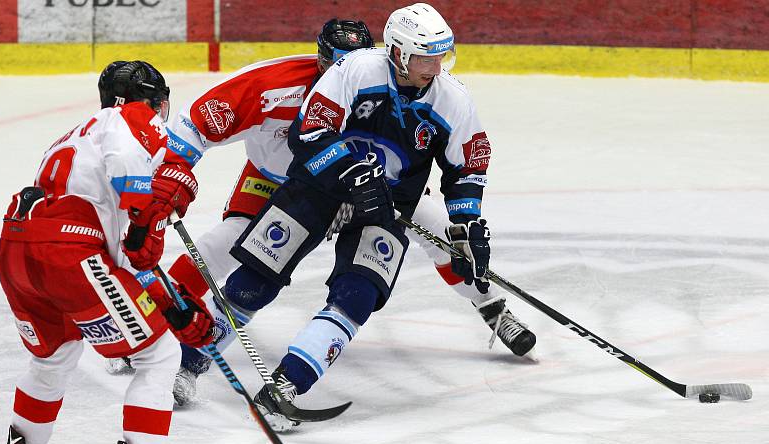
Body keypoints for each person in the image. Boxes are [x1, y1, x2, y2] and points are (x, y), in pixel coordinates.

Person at [157, 17, 535, 407]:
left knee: (373, 285)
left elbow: (467, 165)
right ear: (397, 52)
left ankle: (491, 306)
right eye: (426, 57)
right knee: (251, 272)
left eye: (441, 57)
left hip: (384, 199)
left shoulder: (450, 98)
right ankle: (184, 359)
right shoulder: (340, 72)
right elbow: (305, 133)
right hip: (311, 184)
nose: (436, 68)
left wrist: (466, 222)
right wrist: (168, 174)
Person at [0, 60, 214, 444]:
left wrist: (168, 299)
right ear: (152, 100)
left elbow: (126, 258)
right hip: (69, 257)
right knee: (158, 354)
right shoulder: (131, 119)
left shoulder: (74, 134)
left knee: (54, 356)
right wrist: (147, 211)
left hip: (17, 254)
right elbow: (132, 231)